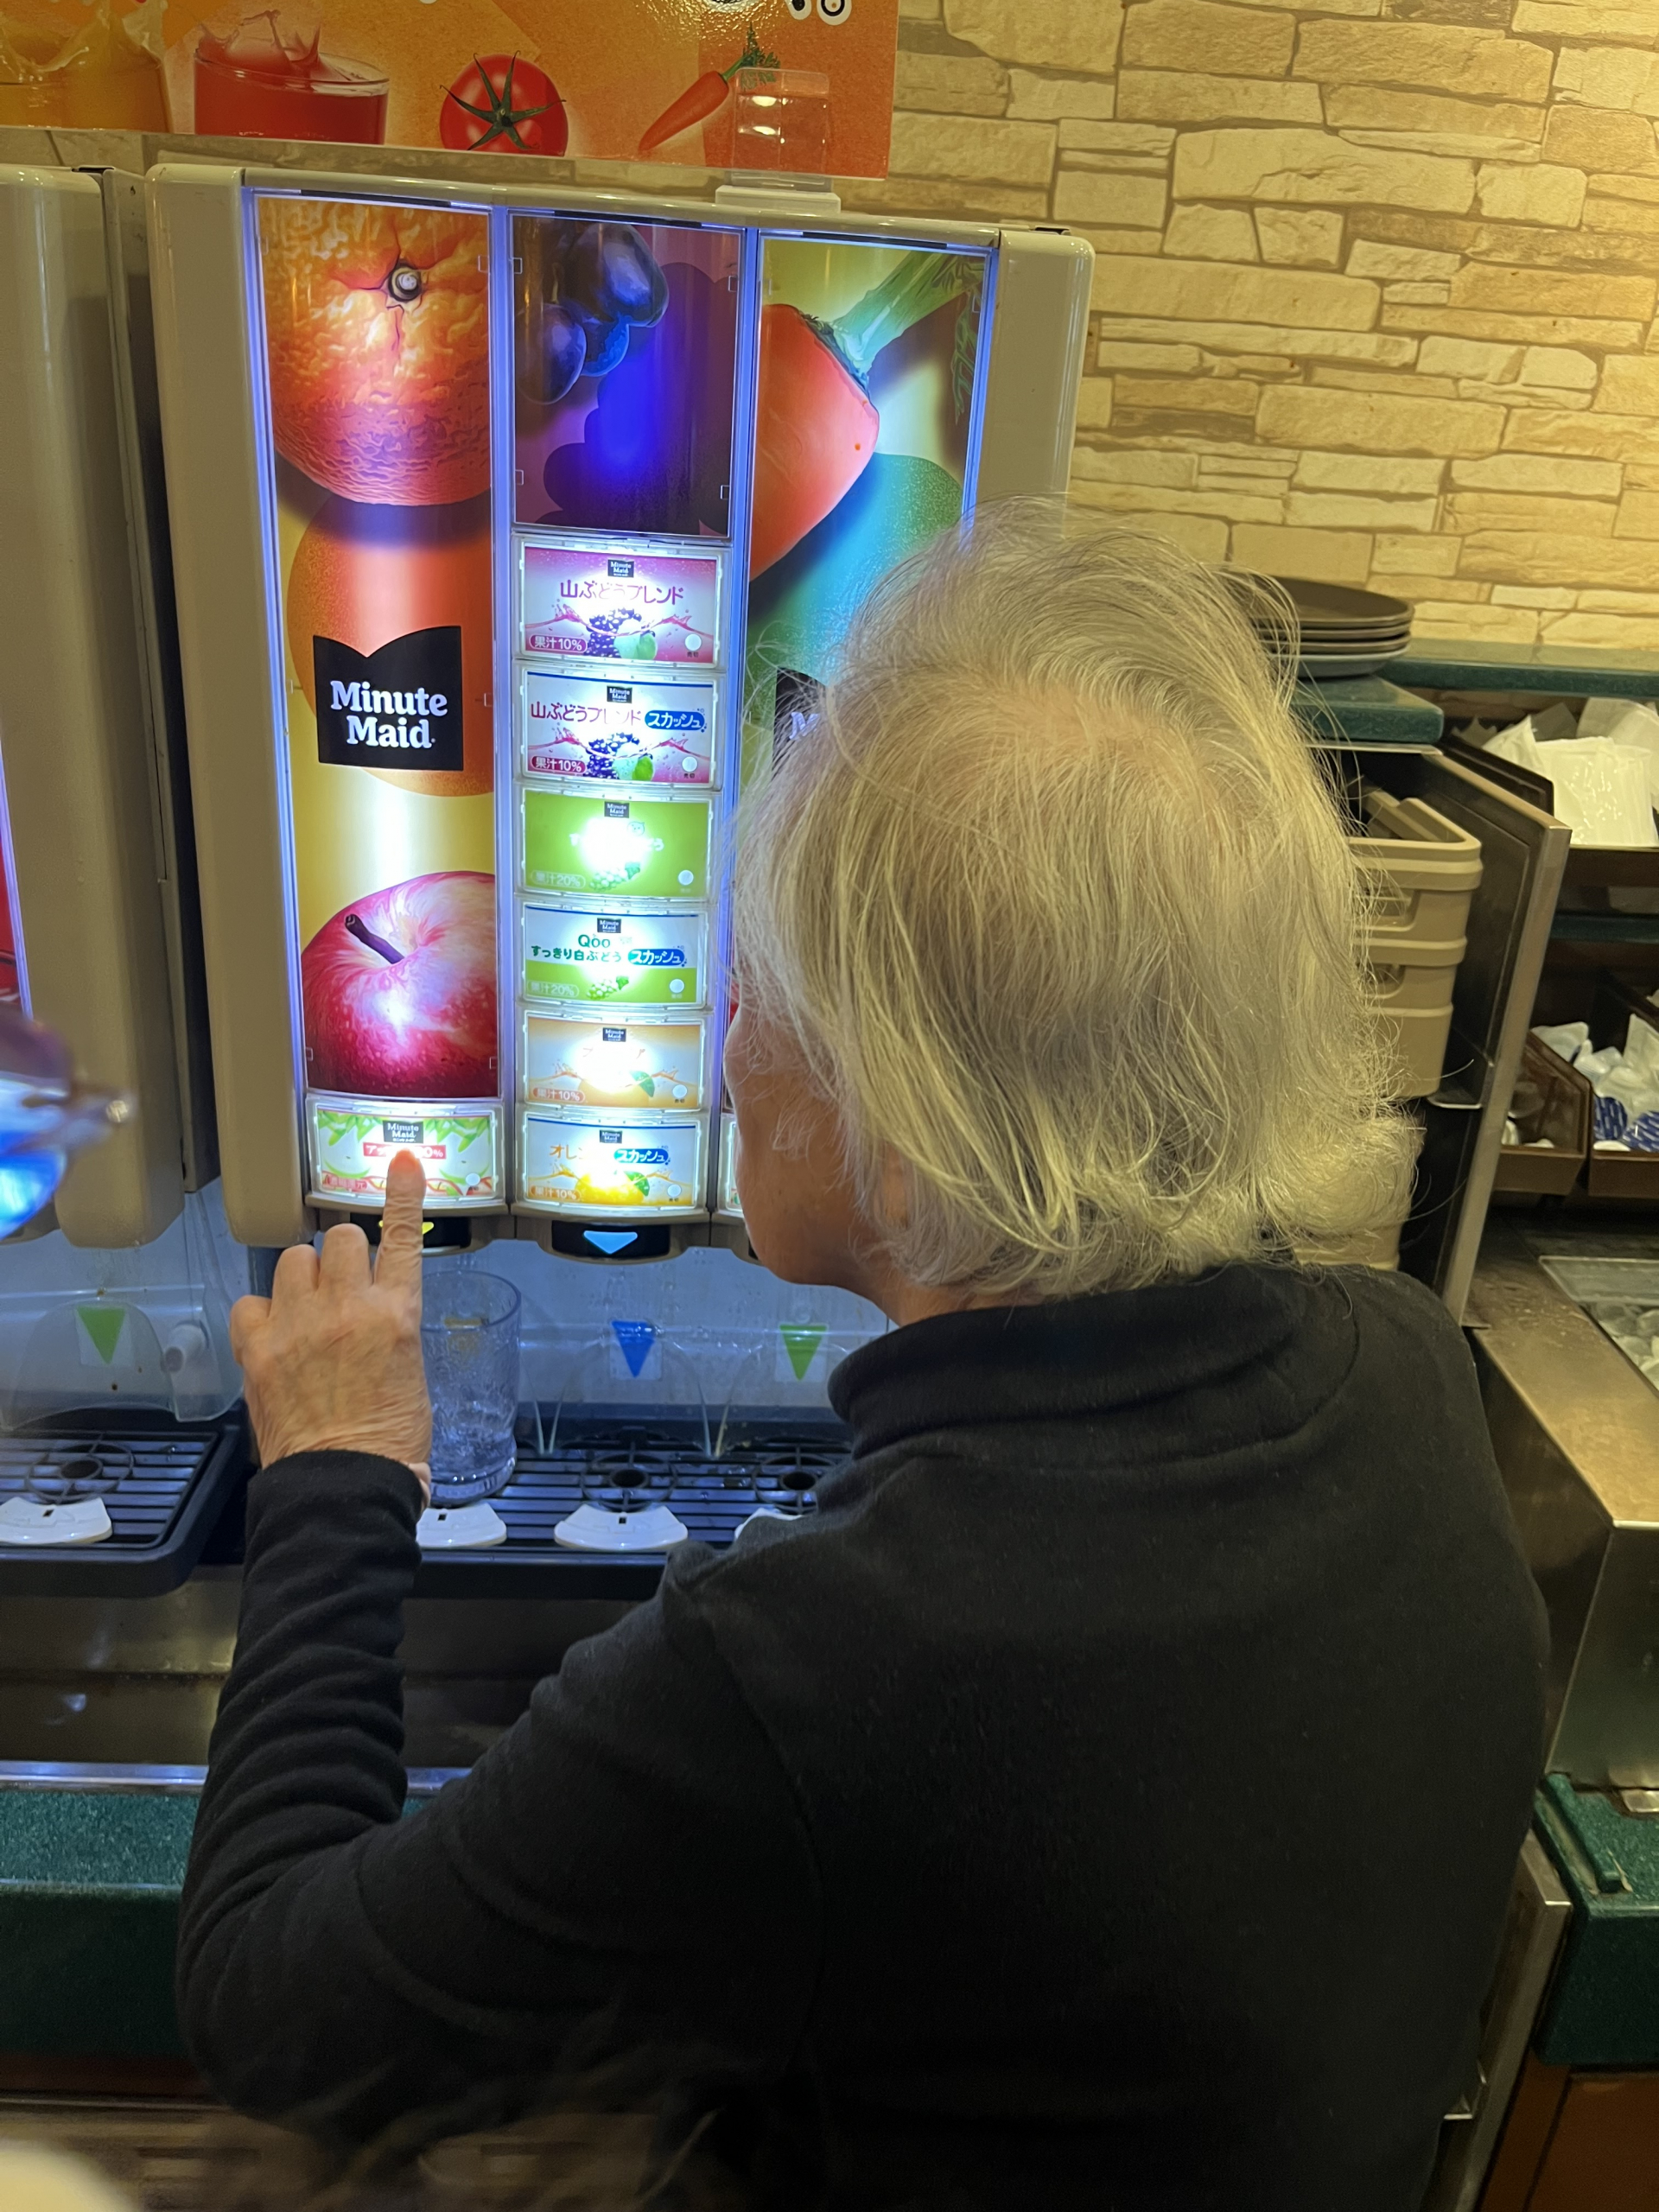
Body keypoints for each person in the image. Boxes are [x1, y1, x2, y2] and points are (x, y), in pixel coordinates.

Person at [180, 506, 1548, 2212]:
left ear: (903, 1124)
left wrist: (334, 1470)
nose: (721, 1041)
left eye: (759, 981)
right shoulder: (1407, 1375)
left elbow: (280, 2017)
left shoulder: (817, 1667)